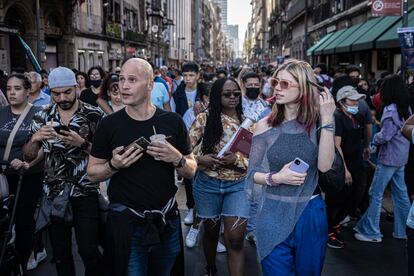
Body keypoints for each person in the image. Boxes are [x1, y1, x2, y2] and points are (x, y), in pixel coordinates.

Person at [87, 58, 197, 276]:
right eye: (122, 79)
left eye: (132, 80)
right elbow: (92, 174)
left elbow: (191, 170)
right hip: (128, 224)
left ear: (150, 85)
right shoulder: (109, 124)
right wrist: (113, 165)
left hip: (167, 221)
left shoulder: (172, 122)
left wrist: (177, 158)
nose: (123, 86)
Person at [246, 60, 336, 275]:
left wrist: (327, 118)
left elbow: (324, 166)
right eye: (276, 82)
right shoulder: (264, 124)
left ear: (303, 87)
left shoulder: (319, 122)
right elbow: (250, 174)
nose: (277, 87)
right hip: (272, 212)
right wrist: (274, 178)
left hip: (310, 212)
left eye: (285, 84)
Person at [23, 67, 105, 276]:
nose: (62, 98)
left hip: (85, 191)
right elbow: (29, 156)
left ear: (77, 87)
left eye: (67, 92)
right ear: (49, 91)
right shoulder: (42, 116)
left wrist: (83, 143)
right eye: (56, 93)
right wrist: (35, 138)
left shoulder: (94, 114)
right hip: (54, 193)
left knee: (89, 250)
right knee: (60, 254)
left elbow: (108, 155)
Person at [189, 77, 250, 276]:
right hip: (207, 185)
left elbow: (257, 161)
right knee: (211, 233)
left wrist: (237, 160)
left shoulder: (249, 122)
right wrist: (201, 159)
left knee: (235, 238)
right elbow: (184, 153)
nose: (233, 97)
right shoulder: (203, 119)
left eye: (236, 94)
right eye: (227, 94)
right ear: (217, 96)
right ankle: (211, 267)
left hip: (238, 185)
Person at [354, 74, 412, 243]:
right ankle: (403, 231)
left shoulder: (390, 110)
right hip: (402, 155)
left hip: (388, 157)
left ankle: (372, 231)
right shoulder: (406, 108)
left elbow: (385, 136)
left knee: (375, 193)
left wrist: (374, 140)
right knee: (401, 194)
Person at [0, 74, 45, 271]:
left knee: (23, 220)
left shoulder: (39, 113)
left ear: (28, 91)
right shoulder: (0, 113)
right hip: (2, 175)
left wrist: (29, 162)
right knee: (4, 221)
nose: (12, 92)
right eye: (9, 88)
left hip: (27, 176)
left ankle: (22, 261)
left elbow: (44, 147)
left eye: (17, 88)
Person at [325, 85, 366, 249]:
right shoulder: (337, 117)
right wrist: (345, 170)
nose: (356, 104)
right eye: (352, 100)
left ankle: (336, 225)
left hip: (357, 163)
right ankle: (329, 231)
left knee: (355, 196)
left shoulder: (358, 117)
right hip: (342, 166)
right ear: (341, 101)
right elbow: (337, 145)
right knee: (335, 200)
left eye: (357, 101)